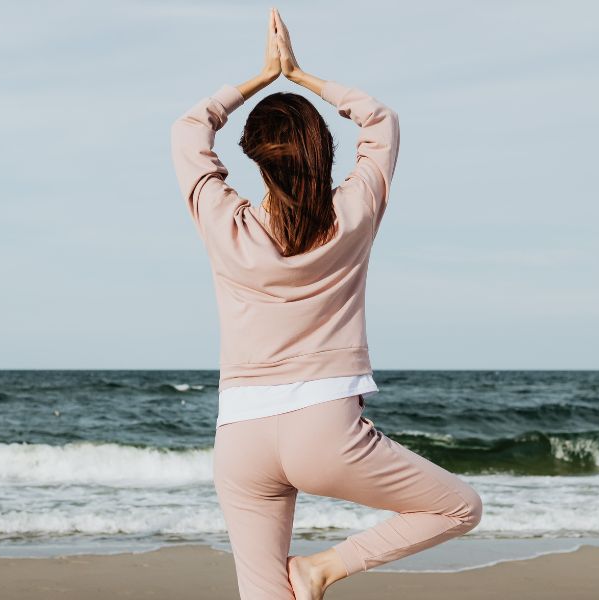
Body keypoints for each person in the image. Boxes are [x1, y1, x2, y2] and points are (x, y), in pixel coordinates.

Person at [169, 7, 482, 599]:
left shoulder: (226, 225)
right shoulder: (353, 215)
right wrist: (303, 76)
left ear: (254, 155)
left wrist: (263, 76)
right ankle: (320, 570)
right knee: (458, 507)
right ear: (321, 149)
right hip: (326, 429)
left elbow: (189, 127)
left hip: (240, 434)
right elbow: (380, 120)